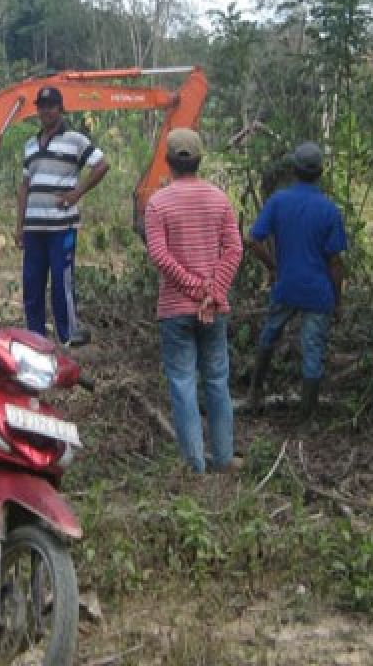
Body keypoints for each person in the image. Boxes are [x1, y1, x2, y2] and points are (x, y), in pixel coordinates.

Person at [144, 128, 243, 474]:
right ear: (200, 159)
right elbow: (234, 248)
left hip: (175, 309)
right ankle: (225, 458)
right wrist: (212, 293)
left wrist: (195, 289)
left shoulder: (158, 203)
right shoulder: (219, 199)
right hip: (213, 310)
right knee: (217, 381)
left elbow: (159, 255)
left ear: (168, 161)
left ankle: (195, 466)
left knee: (183, 384)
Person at [246, 141, 347, 416]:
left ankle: (255, 392)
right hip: (318, 291)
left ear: (294, 169)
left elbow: (253, 240)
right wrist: (338, 301)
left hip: (287, 286)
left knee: (270, 334)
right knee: (313, 350)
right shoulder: (329, 209)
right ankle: (306, 417)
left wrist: (274, 267)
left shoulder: (279, 202)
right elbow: (335, 262)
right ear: (320, 172)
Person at [14, 85, 109, 346]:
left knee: (61, 282)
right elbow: (24, 187)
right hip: (34, 229)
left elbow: (102, 165)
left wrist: (78, 193)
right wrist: (19, 226)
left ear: (60, 109)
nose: (45, 111)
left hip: (61, 228)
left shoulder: (75, 140)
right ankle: (36, 339)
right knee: (32, 284)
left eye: (51, 106)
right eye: (41, 106)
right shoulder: (30, 145)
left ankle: (68, 337)